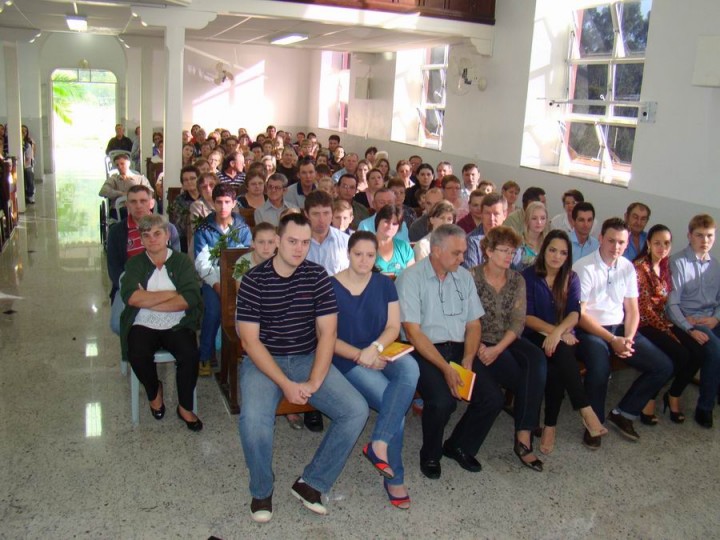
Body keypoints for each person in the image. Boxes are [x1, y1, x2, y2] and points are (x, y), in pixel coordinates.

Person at [236, 213, 368, 523]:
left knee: (355, 410)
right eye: (292, 241)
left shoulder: (317, 276)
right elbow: (250, 343)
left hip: (307, 356)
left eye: (305, 243)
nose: (299, 248)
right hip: (264, 361)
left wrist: (314, 380)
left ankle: (312, 483)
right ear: (278, 241)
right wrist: (285, 383)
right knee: (254, 420)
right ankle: (261, 489)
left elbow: (327, 334)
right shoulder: (254, 280)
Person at [397, 224, 503, 480]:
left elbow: (474, 324)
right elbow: (413, 333)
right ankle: (430, 454)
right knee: (442, 401)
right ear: (435, 251)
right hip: (422, 350)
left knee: (492, 398)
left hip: (458, 348)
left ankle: (459, 445)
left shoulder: (463, 277)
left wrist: (468, 358)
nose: (462, 258)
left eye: (463, 252)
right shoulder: (410, 278)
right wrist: (445, 369)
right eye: (456, 253)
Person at [330, 231, 419, 509]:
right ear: (348, 253)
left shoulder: (384, 284)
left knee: (410, 370)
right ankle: (395, 478)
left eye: (370, 255)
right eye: (358, 254)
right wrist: (361, 355)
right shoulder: (330, 286)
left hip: (382, 349)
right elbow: (327, 338)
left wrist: (376, 349)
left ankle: (378, 442)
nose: (364, 260)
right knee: (397, 413)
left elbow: (394, 327)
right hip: (347, 358)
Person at [573, 218, 674, 447]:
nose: (616, 247)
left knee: (663, 366)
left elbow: (633, 309)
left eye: (621, 242)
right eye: (611, 241)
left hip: (622, 328)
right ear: (600, 239)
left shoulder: (627, 266)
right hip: (592, 330)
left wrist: (628, 338)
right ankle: (594, 423)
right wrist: (612, 339)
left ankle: (624, 413)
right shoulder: (584, 267)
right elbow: (581, 314)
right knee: (600, 368)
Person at [522, 230, 608, 454]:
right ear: (544, 250)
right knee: (562, 355)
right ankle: (585, 410)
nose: (556, 256)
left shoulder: (571, 277)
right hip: (533, 336)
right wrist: (556, 333)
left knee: (560, 363)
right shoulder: (528, 276)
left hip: (560, 338)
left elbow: (574, 313)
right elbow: (527, 317)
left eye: (562, 252)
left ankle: (551, 425)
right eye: (552, 250)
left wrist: (558, 332)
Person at [471, 226, 547, 472]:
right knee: (521, 375)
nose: (509, 256)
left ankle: (523, 434)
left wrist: (497, 349)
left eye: (512, 252)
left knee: (536, 359)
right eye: (503, 250)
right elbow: (464, 318)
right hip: (478, 339)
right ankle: (526, 433)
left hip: (507, 339)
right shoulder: (471, 276)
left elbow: (518, 321)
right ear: (489, 251)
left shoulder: (517, 279)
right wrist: (482, 346)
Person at [119, 214, 203, 431]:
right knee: (136, 351)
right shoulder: (135, 263)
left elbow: (190, 298)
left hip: (178, 322)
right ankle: (154, 391)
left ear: (167, 235)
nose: (152, 239)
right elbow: (131, 297)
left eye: (157, 233)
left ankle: (184, 407)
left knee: (189, 354)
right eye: (146, 235)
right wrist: (172, 293)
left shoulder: (182, 261)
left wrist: (148, 299)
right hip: (142, 321)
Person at [633, 224, 701, 425]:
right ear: (648, 244)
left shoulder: (665, 266)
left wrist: (679, 322)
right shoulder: (640, 268)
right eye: (657, 243)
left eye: (666, 243)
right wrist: (669, 330)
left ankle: (673, 394)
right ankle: (650, 398)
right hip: (644, 324)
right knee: (680, 354)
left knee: (698, 352)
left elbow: (669, 302)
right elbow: (644, 310)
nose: (662, 247)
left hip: (664, 321)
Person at [667, 214, 720, 428]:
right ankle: (705, 407)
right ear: (689, 236)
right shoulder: (677, 262)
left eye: (709, 236)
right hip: (688, 320)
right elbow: (672, 305)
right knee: (715, 350)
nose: (704, 241)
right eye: (699, 235)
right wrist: (689, 327)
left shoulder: (715, 265)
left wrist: (716, 318)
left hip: (711, 318)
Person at [194, 184, 252, 377]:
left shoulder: (242, 228)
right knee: (213, 310)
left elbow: (246, 258)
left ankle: (240, 351)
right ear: (213, 203)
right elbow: (202, 263)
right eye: (218, 202)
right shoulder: (204, 228)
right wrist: (216, 284)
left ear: (234, 203)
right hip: (213, 280)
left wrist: (235, 283)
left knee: (244, 309)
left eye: (227, 202)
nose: (223, 206)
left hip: (236, 281)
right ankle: (205, 354)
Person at [107, 185, 180, 301]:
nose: (138, 206)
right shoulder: (116, 232)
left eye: (143, 201)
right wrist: (131, 287)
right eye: (133, 202)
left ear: (151, 203)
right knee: (118, 319)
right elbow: (114, 268)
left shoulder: (169, 229)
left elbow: (176, 263)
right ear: (127, 205)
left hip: (164, 286)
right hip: (129, 286)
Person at [463, 192, 506, 269]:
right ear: (481, 214)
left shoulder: (511, 240)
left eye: (496, 214)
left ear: (504, 215)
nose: (491, 219)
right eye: (487, 213)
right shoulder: (471, 241)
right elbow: (471, 274)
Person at [374, 205, 415, 277]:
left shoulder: (404, 247)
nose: (390, 227)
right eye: (386, 222)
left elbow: (412, 276)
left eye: (395, 224)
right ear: (378, 221)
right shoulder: (365, 246)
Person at [169, 165, 200, 253]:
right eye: (185, 180)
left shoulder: (206, 197)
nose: (189, 182)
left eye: (192, 178)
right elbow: (179, 225)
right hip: (186, 238)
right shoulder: (179, 200)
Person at [512, 201, 548, 271]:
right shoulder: (517, 243)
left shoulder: (549, 243)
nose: (539, 222)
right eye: (534, 218)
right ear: (527, 220)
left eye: (543, 218)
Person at [21, 125, 36, 204]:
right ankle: (25, 195)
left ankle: (30, 196)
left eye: (25, 131)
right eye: (22, 130)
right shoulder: (17, 142)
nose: (23, 132)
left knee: (29, 178)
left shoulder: (28, 143)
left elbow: (29, 157)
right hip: (20, 166)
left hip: (27, 165)